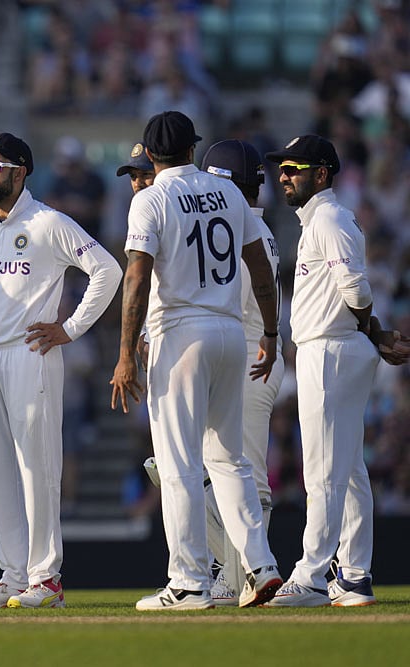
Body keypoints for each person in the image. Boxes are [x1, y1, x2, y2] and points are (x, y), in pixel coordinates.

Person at [110, 111, 283, 611]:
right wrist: (271, 331)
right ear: (191, 150)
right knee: (230, 460)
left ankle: (188, 581)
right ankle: (262, 565)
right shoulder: (229, 193)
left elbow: (137, 278)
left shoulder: (150, 199)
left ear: (151, 153)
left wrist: (124, 353)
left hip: (181, 334)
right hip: (232, 333)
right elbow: (260, 268)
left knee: (179, 463)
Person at [0, 132, 121, 609]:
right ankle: (13, 575)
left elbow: (107, 270)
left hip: (33, 353)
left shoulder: (49, 222)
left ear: (20, 170)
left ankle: (46, 578)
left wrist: (70, 328)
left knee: (38, 467)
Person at [263, 135, 410, 607]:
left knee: (324, 469)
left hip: (330, 350)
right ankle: (354, 575)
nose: (284, 176)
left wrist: (374, 328)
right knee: (346, 470)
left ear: (321, 174)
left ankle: (309, 575)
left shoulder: (329, 216)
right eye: (282, 169)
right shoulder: (321, 219)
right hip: (334, 347)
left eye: (295, 169)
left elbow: (356, 287)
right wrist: (377, 333)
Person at [198, 139, 285, 605]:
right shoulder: (249, 224)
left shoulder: (241, 227)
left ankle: (243, 576)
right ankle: (237, 570)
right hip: (246, 360)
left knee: (246, 478)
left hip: (252, 362)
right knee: (194, 471)